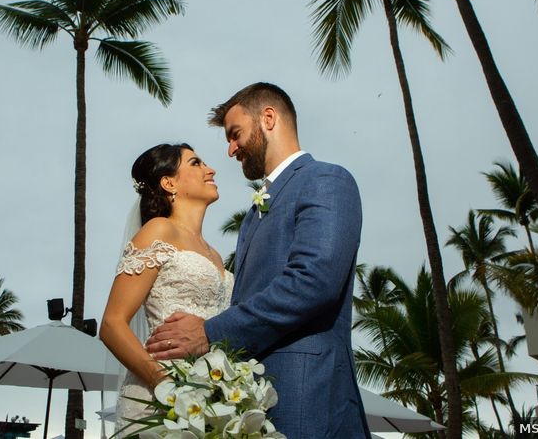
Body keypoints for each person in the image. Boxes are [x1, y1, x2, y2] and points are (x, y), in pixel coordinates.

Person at [145, 82, 371, 438]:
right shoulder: (253, 214)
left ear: (268, 118)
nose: (231, 149)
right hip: (255, 402)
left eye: (235, 134)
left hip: (305, 396)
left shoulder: (326, 180)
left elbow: (313, 283)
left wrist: (208, 332)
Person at [99, 142, 232, 437]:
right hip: (158, 403)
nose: (210, 170)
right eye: (196, 163)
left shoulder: (216, 255)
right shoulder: (158, 230)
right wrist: (167, 387)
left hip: (211, 398)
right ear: (169, 182)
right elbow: (111, 324)